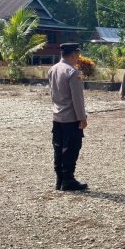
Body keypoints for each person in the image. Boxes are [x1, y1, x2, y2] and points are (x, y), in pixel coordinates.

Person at [47, 43, 88, 191]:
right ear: (72, 55)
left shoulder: (53, 69)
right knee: (71, 148)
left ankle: (59, 180)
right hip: (71, 118)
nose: (78, 57)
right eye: (77, 54)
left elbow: (52, 94)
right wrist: (82, 118)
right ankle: (68, 180)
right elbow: (77, 99)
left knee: (58, 148)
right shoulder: (72, 72)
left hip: (57, 116)